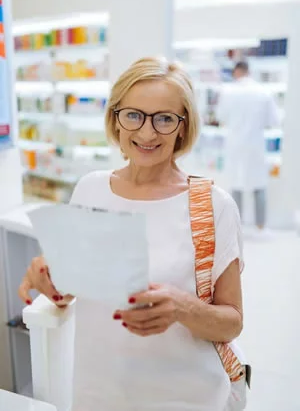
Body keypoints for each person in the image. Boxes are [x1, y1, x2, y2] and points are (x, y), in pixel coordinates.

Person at [19, 57, 245, 411]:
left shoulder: (213, 205)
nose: (147, 132)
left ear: (184, 127)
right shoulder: (90, 189)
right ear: (116, 118)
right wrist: (52, 280)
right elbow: (73, 290)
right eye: (134, 115)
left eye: (165, 119)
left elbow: (232, 322)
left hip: (186, 397)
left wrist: (182, 307)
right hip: (98, 393)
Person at [216, 61, 280, 233]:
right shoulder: (263, 92)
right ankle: (260, 226)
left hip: (235, 144)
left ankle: (238, 226)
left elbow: (220, 116)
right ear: (249, 71)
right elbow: (273, 121)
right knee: (259, 185)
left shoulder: (228, 91)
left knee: (236, 185)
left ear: (237, 71)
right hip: (255, 145)